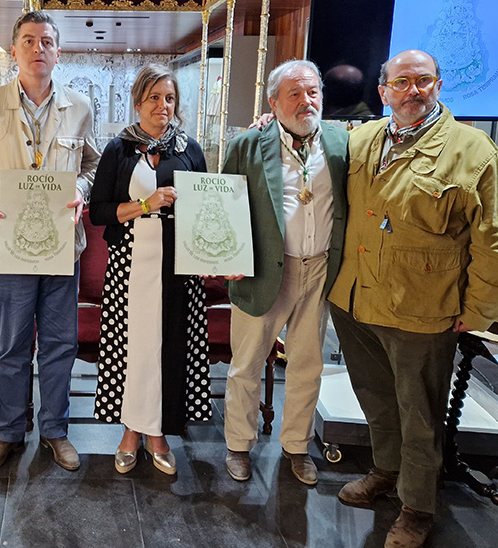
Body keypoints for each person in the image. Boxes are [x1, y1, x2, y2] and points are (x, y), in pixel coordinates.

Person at [328, 49, 498, 547]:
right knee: (376, 400)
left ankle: (416, 508)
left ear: (438, 85)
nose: (414, 90)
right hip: (355, 300)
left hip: (422, 308)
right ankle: (385, 473)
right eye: (402, 82)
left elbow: (494, 242)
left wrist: (478, 311)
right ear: (384, 91)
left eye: (424, 81)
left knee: (419, 414)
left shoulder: (474, 152)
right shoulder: (361, 139)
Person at [0, 10, 99, 473]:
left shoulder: (79, 106)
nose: (37, 48)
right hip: (7, 247)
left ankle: (55, 431)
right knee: (12, 344)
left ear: (58, 52)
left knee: (61, 344)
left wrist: (81, 190)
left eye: (46, 41)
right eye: (28, 40)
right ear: (14, 50)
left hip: (64, 246)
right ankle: (8, 432)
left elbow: (92, 165)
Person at [220, 60, 348, 486]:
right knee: (246, 365)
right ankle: (239, 445)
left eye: (312, 92)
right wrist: (229, 256)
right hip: (262, 271)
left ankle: (297, 446)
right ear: (273, 102)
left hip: (320, 269)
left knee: (307, 366)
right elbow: (225, 205)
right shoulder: (248, 144)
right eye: (293, 93)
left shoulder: (340, 142)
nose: (305, 100)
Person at [89, 64, 211, 476]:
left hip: (180, 265)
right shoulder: (118, 150)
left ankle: (158, 433)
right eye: (155, 97)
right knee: (133, 350)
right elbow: (99, 212)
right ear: (138, 102)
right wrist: (146, 204)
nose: (163, 106)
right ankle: (130, 432)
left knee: (170, 346)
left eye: (170, 98)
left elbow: (209, 207)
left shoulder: (190, 149)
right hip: (130, 262)